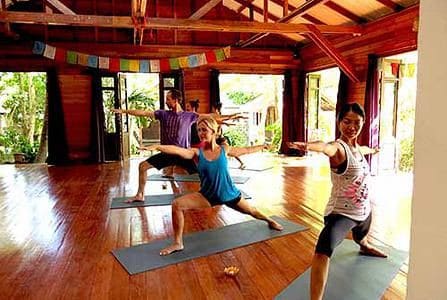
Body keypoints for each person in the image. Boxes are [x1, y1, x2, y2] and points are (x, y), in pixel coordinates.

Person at [140, 115, 283, 255]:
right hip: (207, 196)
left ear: (213, 131)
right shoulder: (196, 153)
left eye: (204, 130)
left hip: (229, 194)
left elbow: (245, 150)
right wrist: (158, 146)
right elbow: (178, 150)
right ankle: (178, 243)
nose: (201, 133)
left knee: (253, 212)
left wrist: (263, 146)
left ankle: (269, 220)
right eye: (199, 130)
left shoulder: (224, 150)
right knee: (177, 205)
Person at [287, 102, 387, 300]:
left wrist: (374, 151)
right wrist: (308, 146)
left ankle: (364, 245)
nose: (352, 127)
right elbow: (326, 148)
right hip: (342, 214)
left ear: (363, 122)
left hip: (364, 210)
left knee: (361, 236)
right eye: (347, 122)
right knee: (322, 252)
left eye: (357, 122)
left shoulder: (357, 148)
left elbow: (364, 149)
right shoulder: (338, 148)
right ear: (339, 122)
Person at [212, 102, 246, 169]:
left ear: (215, 109)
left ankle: (241, 163)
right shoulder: (217, 115)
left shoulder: (216, 116)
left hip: (218, 138)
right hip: (217, 138)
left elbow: (219, 129)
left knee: (229, 151)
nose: (211, 110)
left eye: (212, 108)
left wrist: (216, 134)